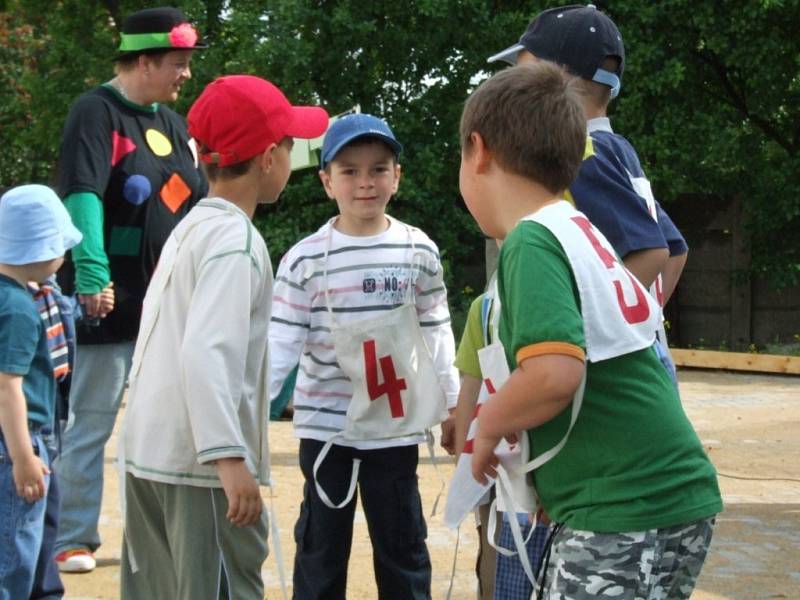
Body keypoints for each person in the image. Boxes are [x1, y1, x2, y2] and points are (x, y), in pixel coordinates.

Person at [460, 62, 723, 599]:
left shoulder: (531, 241)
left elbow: (555, 374)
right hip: (674, 501)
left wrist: (488, 425)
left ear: (478, 151)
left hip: (620, 512)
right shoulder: (581, 228)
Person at [118, 74, 328, 599]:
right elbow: (206, 352)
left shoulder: (190, 226)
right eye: (287, 143)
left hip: (149, 453)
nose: (291, 152)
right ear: (267, 159)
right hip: (201, 468)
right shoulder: (236, 239)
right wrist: (229, 458)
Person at [269, 113, 460, 599]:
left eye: (378, 168)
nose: (365, 182)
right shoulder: (305, 259)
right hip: (327, 432)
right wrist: (248, 418)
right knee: (320, 551)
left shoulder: (418, 250)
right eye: (349, 170)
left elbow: (436, 331)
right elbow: (280, 347)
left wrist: (453, 404)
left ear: (397, 176)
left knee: (403, 550)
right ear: (326, 180)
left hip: (394, 430)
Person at [53, 6, 208, 573]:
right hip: (110, 302)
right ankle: (71, 536)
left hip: (166, 305)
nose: (185, 74)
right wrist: (92, 272)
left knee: (161, 423)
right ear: (143, 61)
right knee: (92, 420)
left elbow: (194, 199)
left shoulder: (172, 123)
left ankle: (154, 537)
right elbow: (82, 193)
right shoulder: (95, 113)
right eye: (178, 63)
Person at [488, 4, 688, 308]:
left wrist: (589, 327)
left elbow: (651, 252)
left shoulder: (580, 154)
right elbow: (676, 250)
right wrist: (647, 323)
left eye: (522, 79)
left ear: (558, 79)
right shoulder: (617, 149)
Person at [0, 184, 82, 599]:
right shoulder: (17, 308)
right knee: (14, 556)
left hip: (25, 440)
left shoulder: (16, 295)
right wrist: (23, 458)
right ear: (40, 248)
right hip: (20, 441)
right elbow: (8, 387)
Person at [451, 283, 551, 600]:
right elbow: (471, 384)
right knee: (503, 561)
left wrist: (466, 466)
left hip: (520, 468)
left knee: (507, 563)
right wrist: (465, 468)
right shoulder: (486, 308)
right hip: (502, 469)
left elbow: (470, 386)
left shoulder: (488, 306)